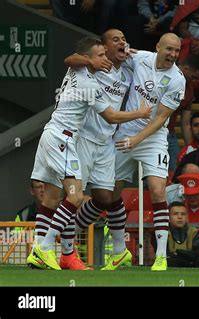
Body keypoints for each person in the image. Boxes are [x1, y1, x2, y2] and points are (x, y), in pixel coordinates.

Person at [27, 37, 152, 271]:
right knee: (74, 197)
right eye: (101, 55)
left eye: (106, 55)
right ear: (88, 59)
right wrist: (141, 112)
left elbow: (72, 58)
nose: (105, 59)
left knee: (52, 195)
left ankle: (47, 253)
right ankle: (43, 249)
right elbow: (112, 116)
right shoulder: (91, 85)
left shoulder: (76, 70)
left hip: (51, 135)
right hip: (64, 139)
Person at [60, 29, 137, 271]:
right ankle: (66, 251)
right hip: (83, 137)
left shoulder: (127, 70)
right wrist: (91, 59)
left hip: (106, 142)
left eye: (124, 39)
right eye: (115, 40)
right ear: (103, 48)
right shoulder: (90, 66)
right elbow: (70, 59)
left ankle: (71, 237)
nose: (122, 42)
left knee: (105, 197)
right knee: (74, 195)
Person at [111, 33, 186, 271]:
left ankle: (161, 256)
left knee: (157, 190)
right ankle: (118, 251)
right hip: (125, 132)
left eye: (177, 50)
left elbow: (162, 117)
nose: (173, 54)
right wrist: (121, 47)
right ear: (157, 47)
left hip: (152, 138)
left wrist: (137, 139)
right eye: (169, 49)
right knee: (110, 193)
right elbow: (118, 56)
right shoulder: (141, 58)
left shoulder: (177, 79)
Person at [165, 201, 199, 268]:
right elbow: (165, 256)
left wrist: (177, 252)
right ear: (168, 218)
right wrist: (188, 255)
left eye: (183, 214)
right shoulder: (163, 233)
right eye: (175, 214)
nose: (180, 217)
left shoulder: (193, 232)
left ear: (187, 217)